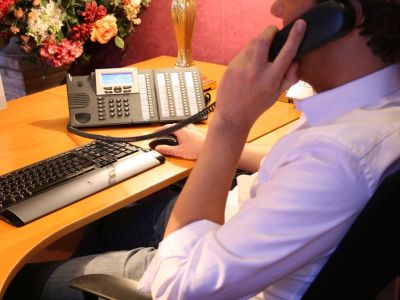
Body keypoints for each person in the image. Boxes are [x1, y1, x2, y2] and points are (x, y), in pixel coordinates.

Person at [5, 0, 400, 299]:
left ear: (340, 16)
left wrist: (229, 123)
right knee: (113, 214)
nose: (276, 8)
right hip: (234, 228)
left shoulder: (336, 158)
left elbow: (173, 287)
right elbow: (297, 167)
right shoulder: (370, 108)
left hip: (200, 263)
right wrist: (210, 147)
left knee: (18, 282)